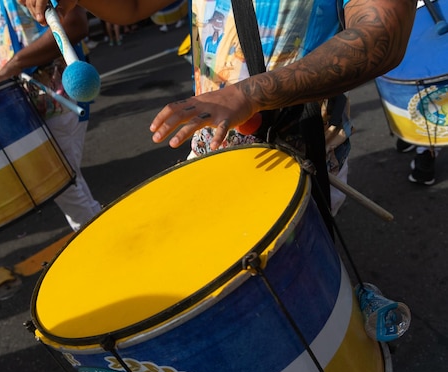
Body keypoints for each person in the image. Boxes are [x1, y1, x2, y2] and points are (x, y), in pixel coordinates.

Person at [25, 0, 416, 218]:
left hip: (299, 159)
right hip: (212, 153)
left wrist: (249, 93)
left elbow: (383, 35)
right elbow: (132, 5)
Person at [0, 0, 101, 231]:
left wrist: (10, 68)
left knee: (64, 189)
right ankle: (103, 240)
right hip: (26, 105)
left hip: (54, 97)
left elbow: (74, 25)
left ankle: (102, 246)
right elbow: (15, 43)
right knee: (70, 187)